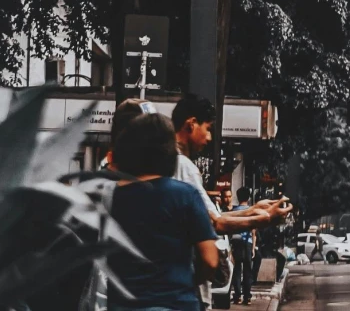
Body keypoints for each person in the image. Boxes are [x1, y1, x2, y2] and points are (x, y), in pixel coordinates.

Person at [108, 111, 222, 311]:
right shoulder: (185, 195)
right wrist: (188, 280)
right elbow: (210, 260)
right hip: (176, 303)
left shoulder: (109, 196)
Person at [171, 97, 288, 233]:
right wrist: (264, 219)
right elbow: (214, 223)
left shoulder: (170, 161)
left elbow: (214, 216)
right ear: (191, 124)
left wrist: (252, 211)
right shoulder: (183, 167)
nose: (209, 137)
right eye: (207, 129)